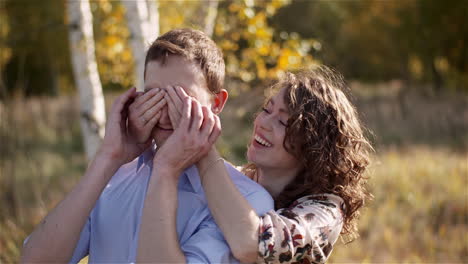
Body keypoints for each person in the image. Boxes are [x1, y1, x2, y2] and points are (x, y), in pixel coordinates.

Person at [21, 28, 273, 263]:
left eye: (180, 98)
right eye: (154, 96)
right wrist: (108, 158)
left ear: (216, 103)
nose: (163, 113)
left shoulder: (248, 202)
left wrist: (166, 170)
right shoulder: (116, 175)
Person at [144, 66, 372, 263]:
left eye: (283, 121)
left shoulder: (323, 213)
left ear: (315, 145)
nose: (263, 123)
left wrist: (203, 148)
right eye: (266, 109)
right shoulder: (233, 179)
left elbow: (250, 243)